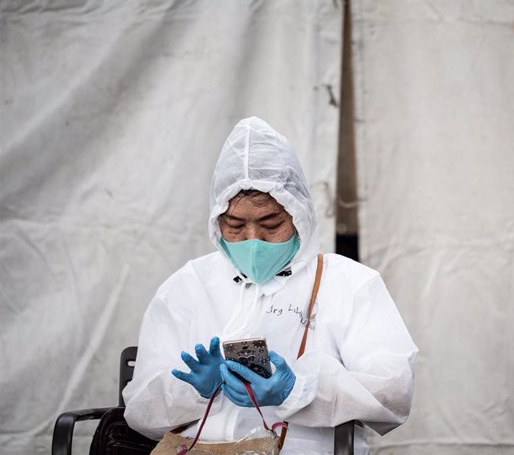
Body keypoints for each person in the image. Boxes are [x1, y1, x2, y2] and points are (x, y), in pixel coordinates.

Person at [122, 117, 418, 454]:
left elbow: (393, 393)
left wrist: (298, 390)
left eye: (270, 223)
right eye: (235, 225)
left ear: (299, 213)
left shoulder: (349, 284)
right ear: (217, 220)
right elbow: (139, 412)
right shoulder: (188, 287)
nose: (253, 239)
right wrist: (193, 392)